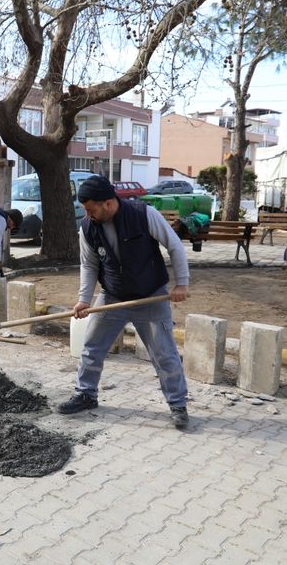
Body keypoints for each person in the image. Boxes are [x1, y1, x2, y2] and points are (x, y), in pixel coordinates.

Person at [57, 175, 191, 429]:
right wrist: (84, 300)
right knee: (92, 347)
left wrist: (181, 283)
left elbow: (174, 246)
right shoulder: (87, 227)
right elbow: (89, 265)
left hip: (151, 295)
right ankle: (86, 394)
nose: (87, 214)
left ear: (108, 203)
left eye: (91, 209)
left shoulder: (144, 214)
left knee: (164, 354)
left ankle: (178, 404)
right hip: (113, 295)